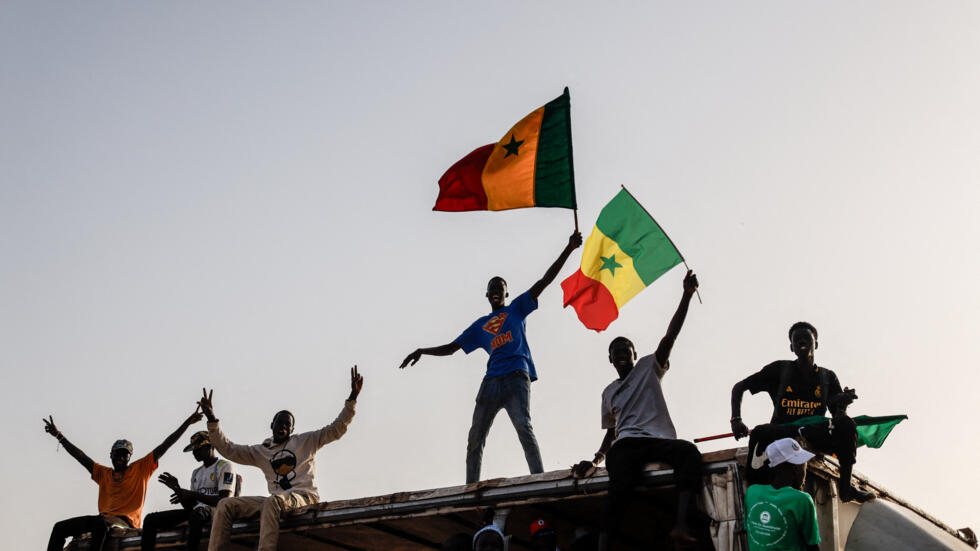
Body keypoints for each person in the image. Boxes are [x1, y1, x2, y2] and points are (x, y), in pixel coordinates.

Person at [400, 231, 583, 484]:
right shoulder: (480, 325)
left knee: (523, 427)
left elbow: (545, 281)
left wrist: (569, 248)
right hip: (491, 382)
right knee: (475, 437)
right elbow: (453, 347)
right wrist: (423, 351)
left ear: (506, 294)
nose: (496, 291)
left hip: (517, 377)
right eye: (492, 289)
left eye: (500, 288)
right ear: (487, 295)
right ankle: (471, 486)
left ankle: (539, 479)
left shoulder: (517, 308)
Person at [572, 270, 702, 550]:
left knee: (690, 454)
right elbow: (611, 433)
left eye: (626, 350)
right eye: (616, 352)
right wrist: (595, 461)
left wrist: (686, 295)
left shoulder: (649, 367)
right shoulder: (608, 392)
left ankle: (680, 524)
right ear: (610, 359)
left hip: (658, 440)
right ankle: (605, 543)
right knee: (620, 486)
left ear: (634, 354)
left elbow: (671, 335)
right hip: (627, 444)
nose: (621, 354)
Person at [199, 366, 363, 551]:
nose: (283, 427)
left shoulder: (305, 441)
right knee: (225, 505)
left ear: (292, 430)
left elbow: (336, 429)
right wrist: (212, 418)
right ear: (272, 425)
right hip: (276, 502)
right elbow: (229, 450)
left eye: (288, 425)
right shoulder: (262, 451)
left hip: (303, 496)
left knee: (272, 502)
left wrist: (352, 398)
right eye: (280, 422)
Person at [729, 322, 873, 502]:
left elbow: (837, 418)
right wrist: (736, 419)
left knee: (847, 423)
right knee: (760, 432)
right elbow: (739, 387)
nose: (801, 342)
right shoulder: (780, 370)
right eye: (797, 340)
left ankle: (846, 488)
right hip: (784, 429)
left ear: (816, 344)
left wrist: (843, 404)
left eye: (806, 338)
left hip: (814, 434)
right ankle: (756, 491)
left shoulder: (827, 377)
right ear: (791, 347)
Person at [44, 408, 203, 551]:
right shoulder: (103, 473)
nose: (120, 457)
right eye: (117, 454)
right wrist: (59, 436)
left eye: (124, 454)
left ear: (129, 457)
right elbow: (80, 456)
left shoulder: (140, 469)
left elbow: (165, 445)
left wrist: (187, 423)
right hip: (103, 520)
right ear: (111, 456)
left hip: (125, 522)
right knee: (59, 528)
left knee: (100, 524)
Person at [140, 430, 237, 550]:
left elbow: (224, 500)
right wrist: (178, 490)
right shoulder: (196, 473)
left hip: (216, 511)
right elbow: (191, 506)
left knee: (197, 516)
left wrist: (192, 495)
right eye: (193, 450)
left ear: (210, 446)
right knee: (150, 519)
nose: (194, 453)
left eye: (197, 449)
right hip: (198, 512)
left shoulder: (224, 466)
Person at [744, 438, 820, 551]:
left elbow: (748, 529)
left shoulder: (752, 492)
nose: (805, 469)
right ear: (795, 468)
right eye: (804, 464)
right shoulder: (801, 499)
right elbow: (812, 545)